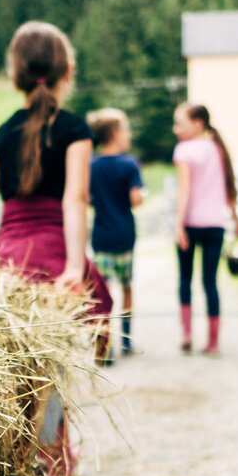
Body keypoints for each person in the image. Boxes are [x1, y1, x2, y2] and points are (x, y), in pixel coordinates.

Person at [0, 21, 113, 360]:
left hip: (7, 266)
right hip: (55, 259)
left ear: (17, 74)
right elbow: (74, 199)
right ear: (68, 71)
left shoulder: (3, 132)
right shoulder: (75, 129)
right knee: (91, 319)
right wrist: (75, 267)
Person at [171, 102, 238, 355]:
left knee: (185, 279)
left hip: (191, 224)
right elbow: (229, 191)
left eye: (179, 123)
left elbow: (184, 191)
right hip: (215, 225)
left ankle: (187, 335)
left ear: (198, 123)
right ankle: (213, 342)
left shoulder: (184, 150)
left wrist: (178, 224)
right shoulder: (218, 148)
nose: (175, 129)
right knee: (210, 282)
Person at [86, 108, 144, 360]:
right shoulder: (129, 165)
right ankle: (127, 341)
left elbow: (87, 198)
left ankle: (104, 347)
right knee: (126, 287)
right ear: (115, 133)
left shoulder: (91, 166)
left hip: (101, 237)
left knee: (103, 291)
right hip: (124, 236)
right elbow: (136, 199)